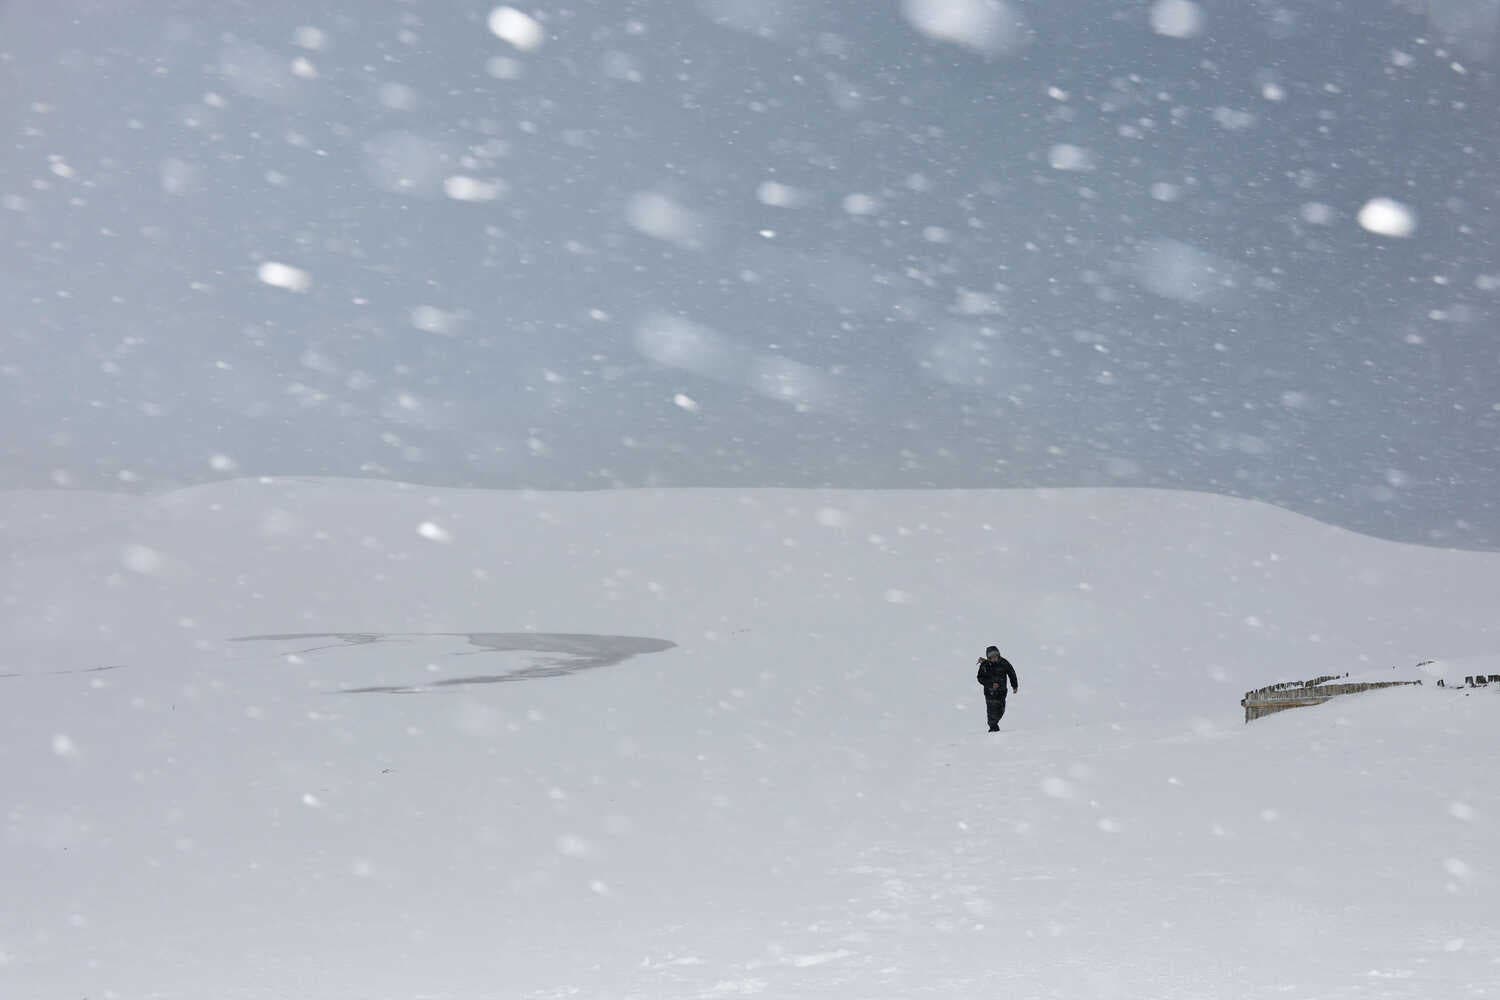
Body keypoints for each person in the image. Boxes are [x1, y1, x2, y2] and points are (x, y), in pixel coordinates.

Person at [975, 645, 1019, 732]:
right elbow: (980, 678)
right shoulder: (985, 665)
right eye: (992, 656)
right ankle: (993, 728)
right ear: (988, 657)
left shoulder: (1004, 663)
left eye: (996, 655)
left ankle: (994, 723)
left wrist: (1014, 686)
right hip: (989, 692)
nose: (994, 658)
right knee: (991, 711)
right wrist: (990, 684)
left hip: (1002, 691)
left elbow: (1011, 673)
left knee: (1000, 710)